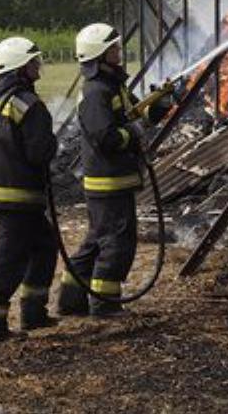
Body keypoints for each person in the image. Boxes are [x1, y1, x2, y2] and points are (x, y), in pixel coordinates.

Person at [58, 23, 170, 317]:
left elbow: (136, 115)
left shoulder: (112, 86)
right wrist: (134, 132)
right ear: (100, 54)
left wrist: (159, 105)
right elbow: (106, 138)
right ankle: (105, 305)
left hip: (113, 178)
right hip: (108, 180)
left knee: (96, 240)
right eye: (114, 49)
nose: (119, 52)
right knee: (117, 243)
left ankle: (71, 299)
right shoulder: (96, 92)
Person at [0, 37, 58, 344]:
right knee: (8, 260)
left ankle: (34, 313)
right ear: (20, 68)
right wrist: (52, 142)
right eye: (33, 62)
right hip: (18, 194)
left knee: (45, 245)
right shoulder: (29, 105)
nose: (38, 67)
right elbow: (40, 153)